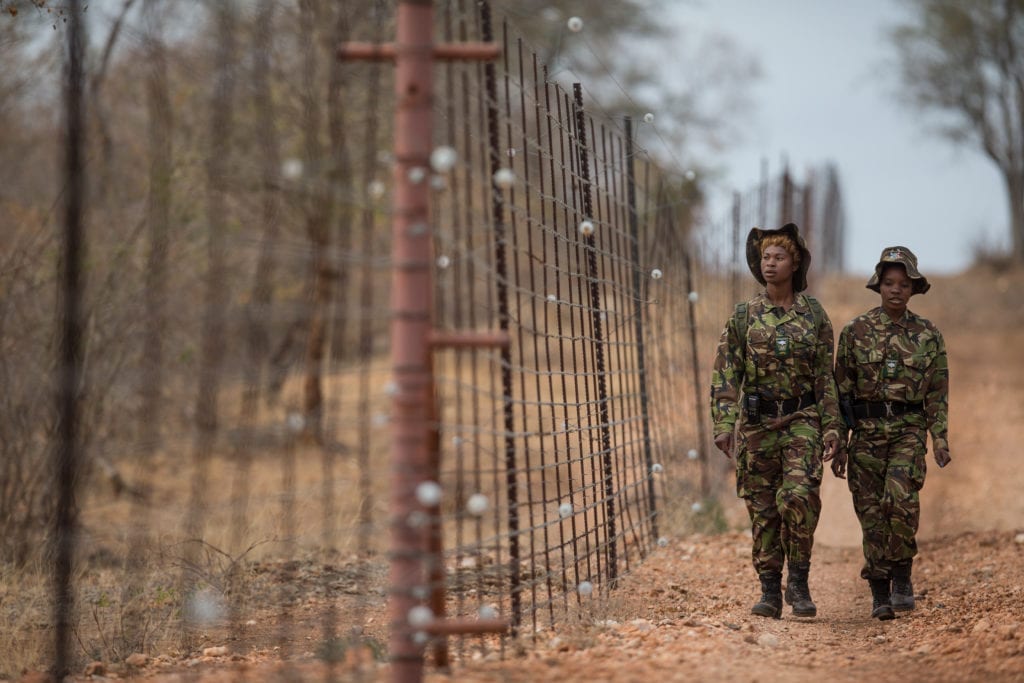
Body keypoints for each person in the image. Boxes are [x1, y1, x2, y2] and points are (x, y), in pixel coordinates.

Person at [710, 223, 842, 619]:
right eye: (765, 257)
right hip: (756, 424)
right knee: (763, 508)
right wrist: (723, 422)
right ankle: (769, 589)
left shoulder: (814, 315)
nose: (770, 264)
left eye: (778, 257)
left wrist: (833, 426)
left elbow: (826, 377)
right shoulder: (744, 315)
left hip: (802, 418)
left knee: (798, 497)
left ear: (794, 262)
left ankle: (798, 582)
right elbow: (725, 373)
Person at [834, 246, 951, 621]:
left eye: (903, 284)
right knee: (871, 514)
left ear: (913, 288)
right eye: (889, 283)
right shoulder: (855, 331)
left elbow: (937, 391)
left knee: (899, 502)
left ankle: (902, 574)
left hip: (908, 430)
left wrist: (940, 437)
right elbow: (841, 392)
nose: (895, 290)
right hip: (865, 433)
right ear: (878, 286)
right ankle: (879, 592)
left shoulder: (928, 335)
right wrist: (837, 438)